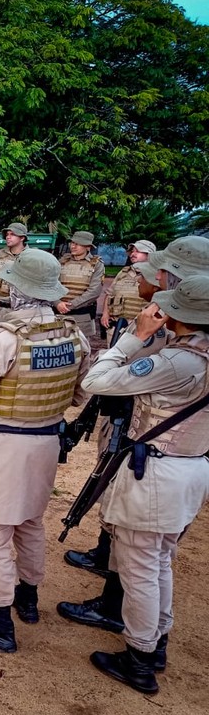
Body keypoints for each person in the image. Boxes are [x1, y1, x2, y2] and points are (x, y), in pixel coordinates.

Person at [58, 236, 209, 635]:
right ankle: (153, 639)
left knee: (141, 563)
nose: (153, 278)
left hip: (159, 467)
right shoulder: (189, 347)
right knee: (155, 560)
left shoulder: (180, 354)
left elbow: (98, 380)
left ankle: (140, 649)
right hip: (185, 463)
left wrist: (135, 337)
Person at [0, 249, 90, 653]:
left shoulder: (2, 338)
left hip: (4, 444)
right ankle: (28, 601)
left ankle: (0, 622)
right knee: (31, 521)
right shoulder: (74, 334)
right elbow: (81, 392)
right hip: (47, 441)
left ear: (17, 289)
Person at [101, 240, 156, 338]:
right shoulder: (123, 273)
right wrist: (105, 314)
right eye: (132, 251)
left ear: (149, 254)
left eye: (137, 251)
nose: (133, 254)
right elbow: (109, 294)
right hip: (116, 328)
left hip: (140, 330)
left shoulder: (157, 276)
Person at [56, 230, 104, 337]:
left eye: (78, 244)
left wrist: (69, 306)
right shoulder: (62, 261)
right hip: (58, 314)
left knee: (81, 351)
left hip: (81, 317)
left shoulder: (96, 264)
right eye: (72, 243)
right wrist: (57, 303)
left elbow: (94, 292)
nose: (73, 246)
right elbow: (50, 284)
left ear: (88, 247)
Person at [0, 222, 29, 329]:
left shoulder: (31, 256)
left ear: (22, 238)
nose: (8, 237)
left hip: (20, 311)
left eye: (12, 234)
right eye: (7, 235)